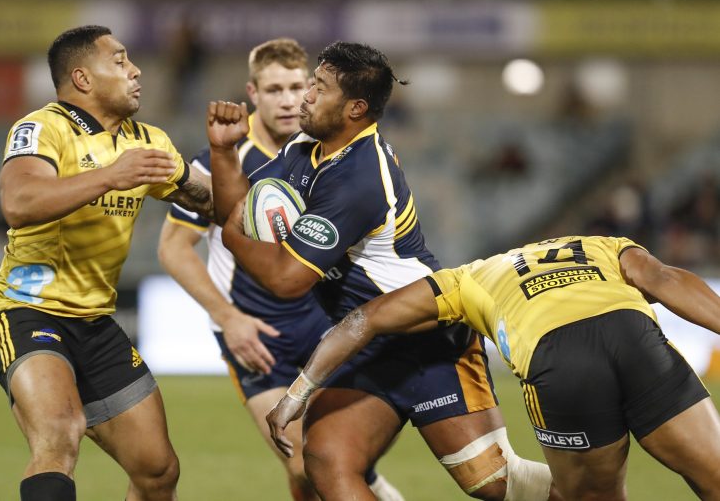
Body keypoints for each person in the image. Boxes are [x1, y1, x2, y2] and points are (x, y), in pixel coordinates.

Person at [206, 41, 557, 501]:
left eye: (319, 87)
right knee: (327, 459)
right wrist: (223, 153)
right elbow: (239, 208)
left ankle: (594, 494)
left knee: (493, 483)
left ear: (354, 108)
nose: (305, 97)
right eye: (313, 82)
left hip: (429, 340)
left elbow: (285, 280)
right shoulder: (306, 148)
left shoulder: (359, 177)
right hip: (365, 341)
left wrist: (235, 238)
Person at [268, 235, 720, 500]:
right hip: (635, 337)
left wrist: (297, 393)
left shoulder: (466, 279)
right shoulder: (600, 245)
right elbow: (662, 278)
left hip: (557, 358)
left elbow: (363, 320)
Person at [158, 38, 403, 501]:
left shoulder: (325, 151)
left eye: (299, 86)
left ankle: (368, 484)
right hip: (258, 336)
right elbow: (172, 249)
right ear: (253, 93)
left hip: (320, 322)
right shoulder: (223, 157)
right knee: (301, 457)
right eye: (274, 90)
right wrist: (229, 319)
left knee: (329, 458)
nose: (289, 99)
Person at [0, 25, 213, 501]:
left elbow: (217, 206)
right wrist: (110, 176)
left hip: (95, 324)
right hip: (26, 311)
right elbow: (19, 201)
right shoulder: (44, 127)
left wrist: (224, 158)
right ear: (83, 78)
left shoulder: (148, 141)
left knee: (157, 470)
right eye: (121, 60)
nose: (136, 70)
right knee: (60, 433)